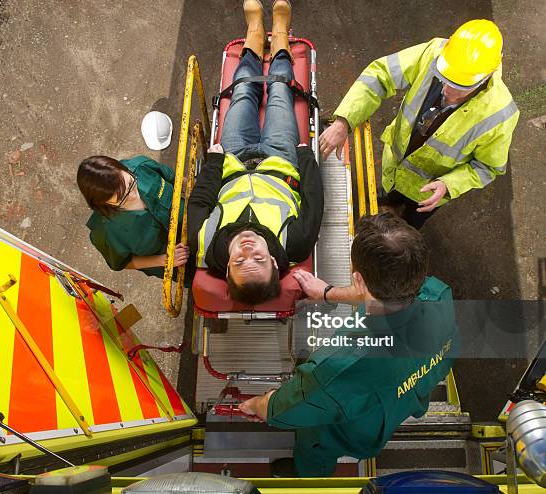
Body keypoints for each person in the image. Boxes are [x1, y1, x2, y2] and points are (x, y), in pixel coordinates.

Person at [239, 213, 459, 477]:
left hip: (347, 432)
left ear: (358, 280)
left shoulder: (340, 366)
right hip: (402, 401)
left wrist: (257, 405)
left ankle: (310, 476)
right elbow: (384, 293)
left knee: (315, 448)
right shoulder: (439, 295)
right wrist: (328, 292)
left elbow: (286, 408)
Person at [320, 20, 519, 229]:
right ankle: (392, 197)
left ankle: (406, 222)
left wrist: (449, 185)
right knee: (391, 191)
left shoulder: (500, 115)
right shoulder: (434, 52)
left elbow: (487, 167)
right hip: (396, 165)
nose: (447, 91)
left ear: (488, 75)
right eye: (444, 78)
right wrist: (344, 121)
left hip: (427, 192)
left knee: (409, 224)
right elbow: (381, 74)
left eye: (460, 87)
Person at [188, 0, 323, 305]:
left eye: (238, 261)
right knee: (278, 91)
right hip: (280, 159)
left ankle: (253, 34)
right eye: (259, 260)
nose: (247, 249)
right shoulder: (296, 244)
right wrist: (304, 156)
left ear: (226, 271)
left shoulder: (205, 244)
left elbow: (200, 199)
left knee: (244, 90)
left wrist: (215, 161)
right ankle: (280, 33)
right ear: (275, 264)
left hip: (233, 158)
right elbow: (315, 198)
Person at [77, 155, 190, 279]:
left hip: (192, 220)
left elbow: (176, 179)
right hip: (178, 262)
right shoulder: (106, 234)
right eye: (122, 198)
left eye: (130, 184)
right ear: (103, 202)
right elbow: (124, 262)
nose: (133, 195)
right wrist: (166, 260)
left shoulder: (141, 167)